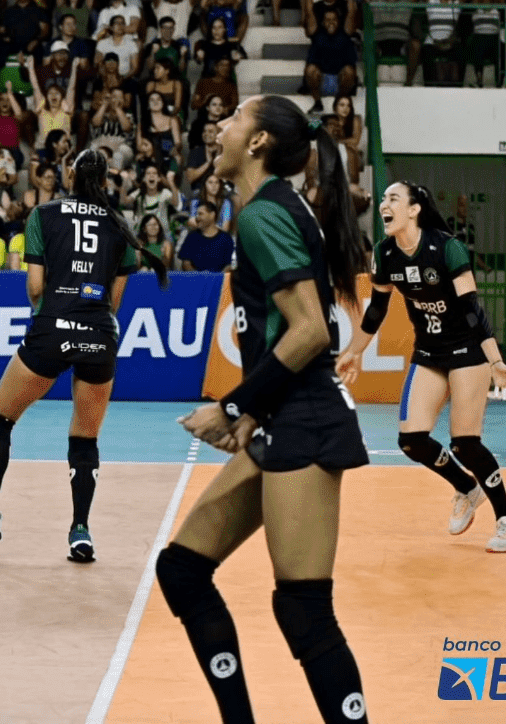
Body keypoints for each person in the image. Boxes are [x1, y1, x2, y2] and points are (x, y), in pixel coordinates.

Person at [164, 96, 370, 724]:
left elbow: (309, 330)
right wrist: (253, 415)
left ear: (256, 143)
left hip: (307, 422)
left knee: (305, 609)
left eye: (231, 122)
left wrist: (231, 405)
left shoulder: (263, 214)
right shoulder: (269, 207)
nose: (217, 128)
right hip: (283, 418)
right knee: (182, 570)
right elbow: (282, 330)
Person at [0, 149, 167, 562]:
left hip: (52, 329)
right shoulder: (121, 227)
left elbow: (34, 289)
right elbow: (113, 304)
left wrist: (58, 308)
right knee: (85, 438)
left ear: (69, 173)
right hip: (99, 336)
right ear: (107, 180)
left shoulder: (44, 215)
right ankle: (80, 531)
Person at [337, 181, 506, 553]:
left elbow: (472, 309)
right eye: (383, 200)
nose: (383, 205)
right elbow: (376, 310)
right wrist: (354, 351)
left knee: (465, 442)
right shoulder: (386, 253)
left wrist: (496, 360)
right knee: (411, 439)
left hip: (469, 352)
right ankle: (466, 488)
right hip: (429, 352)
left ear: (414, 209)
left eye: (394, 198)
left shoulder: (447, 247)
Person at [178, 200, 234, 271]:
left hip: (219, 280)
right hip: (195, 280)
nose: (197, 218)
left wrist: (217, 279)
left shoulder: (226, 239)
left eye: (200, 214)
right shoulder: (192, 236)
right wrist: (200, 278)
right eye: (197, 214)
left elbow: (229, 266)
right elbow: (186, 263)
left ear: (212, 215)